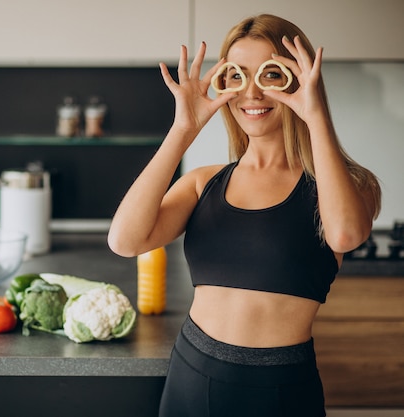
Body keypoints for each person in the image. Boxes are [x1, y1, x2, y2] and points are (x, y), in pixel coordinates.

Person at [107, 14, 381, 417]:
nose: (251, 92)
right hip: (191, 376)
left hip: (281, 389)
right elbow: (124, 240)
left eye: (270, 74)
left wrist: (315, 114)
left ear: (298, 79)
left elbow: (345, 235)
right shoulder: (205, 182)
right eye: (238, 76)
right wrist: (183, 129)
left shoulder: (346, 186)